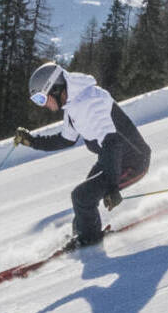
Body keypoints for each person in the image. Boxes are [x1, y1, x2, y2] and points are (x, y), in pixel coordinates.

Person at [12, 62, 151, 247]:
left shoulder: (92, 101)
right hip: (111, 159)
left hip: (132, 161)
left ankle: (89, 240)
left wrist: (112, 186)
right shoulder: (72, 106)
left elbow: (113, 142)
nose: (43, 105)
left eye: (41, 98)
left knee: (82, 197)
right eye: (37, 101)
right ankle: (81, 235)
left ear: (55, 89)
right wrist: (32, 141)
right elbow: (66, 139)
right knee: (83, 203)